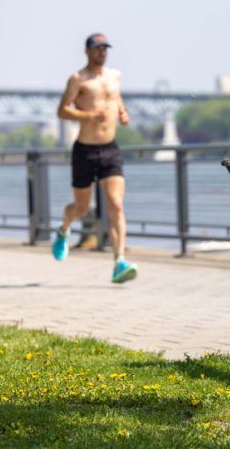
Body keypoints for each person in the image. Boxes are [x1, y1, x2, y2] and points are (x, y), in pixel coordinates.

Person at [52, 33, 138, 284]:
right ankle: (63, 229)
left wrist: (122, 112)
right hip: (85, 151)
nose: (102, 52)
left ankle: (119, 261)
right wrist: (90, 116)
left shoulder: (115, 76)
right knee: (80, 208)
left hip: (110, 149)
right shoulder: (78, 79)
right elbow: (62, 110)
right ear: (87, 51)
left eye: (105, 48)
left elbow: (116, 98)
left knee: (116, 204)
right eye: (97, 48)